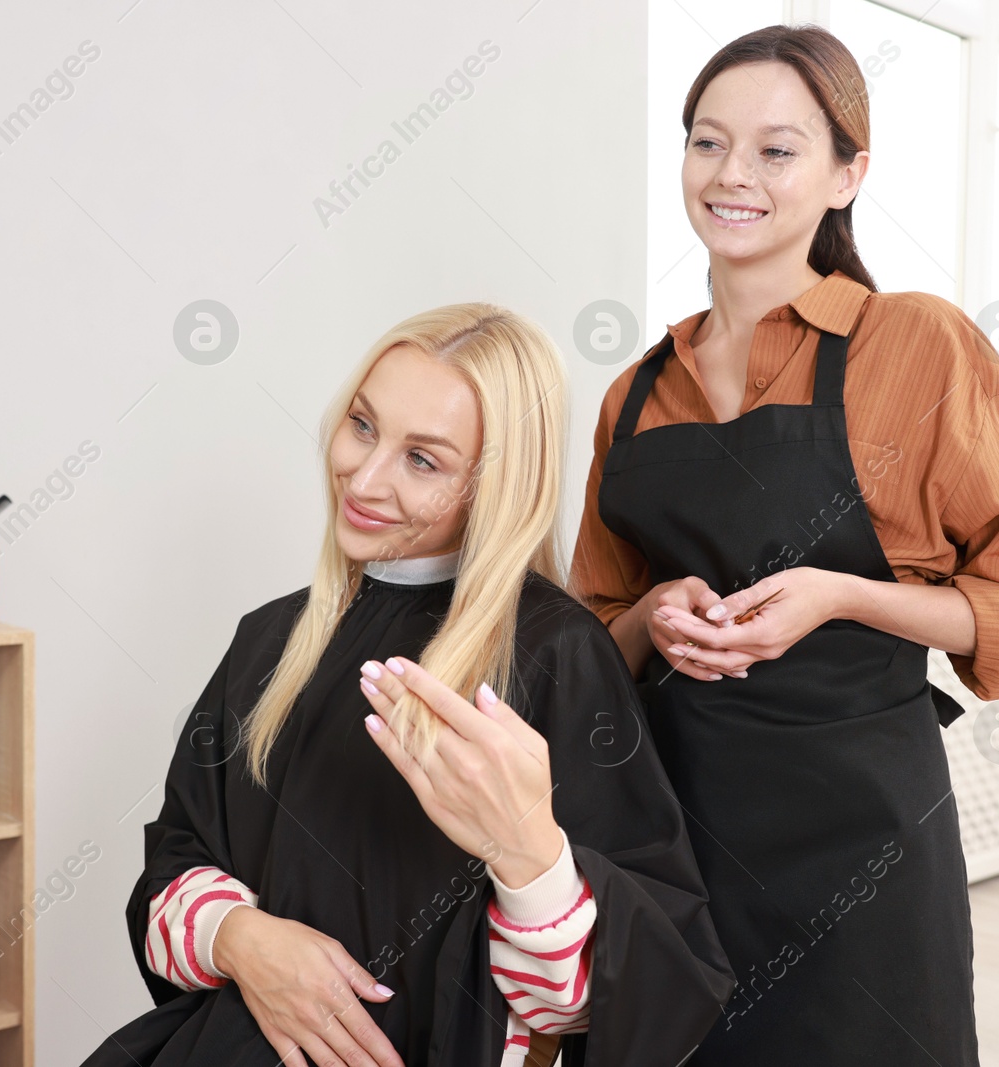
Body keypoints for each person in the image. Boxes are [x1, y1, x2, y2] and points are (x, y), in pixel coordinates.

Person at [568, 24, 999, 1066]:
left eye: (777, 149)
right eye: (706, 142)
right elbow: (584, 641)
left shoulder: (913, 345)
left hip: (862, 852)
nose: (732, 175)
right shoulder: (632, 394)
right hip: (664, 846)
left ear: (846, 173)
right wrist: (649, 613)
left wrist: (841, 594)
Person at [81, 304, 733, 1067]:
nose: (364, 474)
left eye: (422, 460)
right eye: (363, 425)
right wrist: (242, 937)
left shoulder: (554, 654)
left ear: (491, 487)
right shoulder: (269, 639)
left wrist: (531, 858)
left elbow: (635, 990)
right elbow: (171, 864)